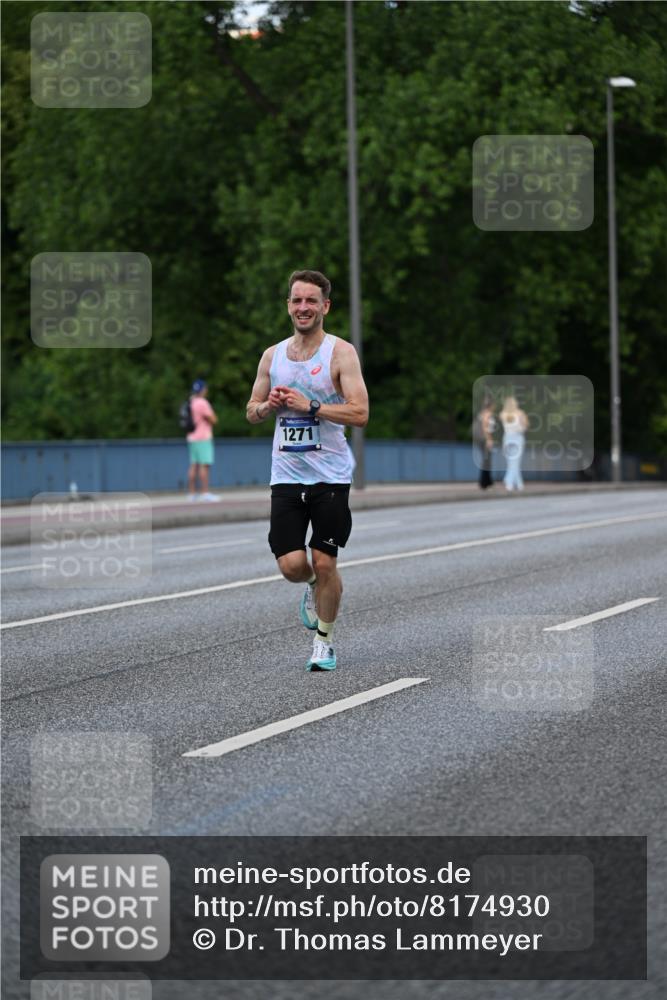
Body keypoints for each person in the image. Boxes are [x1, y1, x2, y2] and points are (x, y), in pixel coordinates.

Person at [246, 269, 369, 671]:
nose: (303, 308)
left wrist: (311, 406)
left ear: (325, 307)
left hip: (330, 475)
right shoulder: (273, 355)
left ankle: (324, 642)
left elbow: (360, 412)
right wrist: (268, 407)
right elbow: (252, 410)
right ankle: (314, 587)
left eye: (311, 301)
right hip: (285, 474)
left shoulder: (340, 353)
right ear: (288, 306)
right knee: (292, 566)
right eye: (297, 300)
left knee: (326, 560)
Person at [187, 378, 219, 502]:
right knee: (204, 465)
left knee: (193, 465)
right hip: (203, 437)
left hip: (192, 437)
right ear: (202, 390)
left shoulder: (191, 401)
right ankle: (205, 493)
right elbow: (213, 419)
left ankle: (192, 493)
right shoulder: (202, 402)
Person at [499, 395, 529, 491]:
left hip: (507, 438)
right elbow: (526, 426)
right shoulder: (520, 413)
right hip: (517, 437)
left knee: (511, 462)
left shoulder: (502, 414)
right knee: (515, 462)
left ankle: (518, 484)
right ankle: (508, 480)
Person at [475, 400, 496, 490]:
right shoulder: (487, 414)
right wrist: (489, 440)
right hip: (485, 440)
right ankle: (484, 482)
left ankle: (487, 481)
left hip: (481, 440)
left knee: (486, 460)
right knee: (486, 461)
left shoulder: (482, 413)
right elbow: (485, 428)